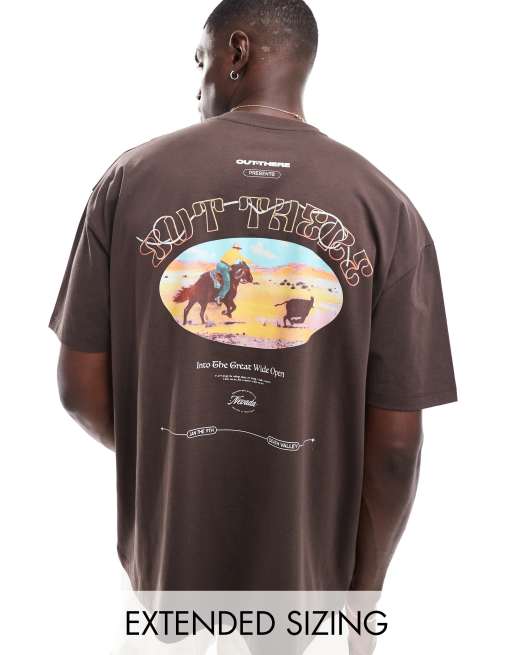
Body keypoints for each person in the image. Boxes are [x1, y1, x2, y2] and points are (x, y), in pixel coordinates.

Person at [48, 0, 457, 604]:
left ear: (236, 52)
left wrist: (169, 453)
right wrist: (363, 593)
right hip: (304, 581)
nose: (197, 88)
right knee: (218, 288)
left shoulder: (128, 179)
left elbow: (78, 390)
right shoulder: (386, 208)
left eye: (200, 63)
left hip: (169, 568)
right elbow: (396, 448)